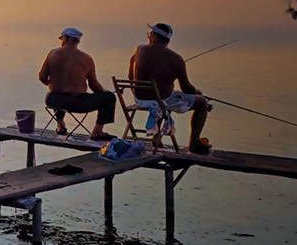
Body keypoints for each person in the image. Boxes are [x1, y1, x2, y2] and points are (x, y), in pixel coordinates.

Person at [129, 21, 211, 153]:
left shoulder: (139, 50)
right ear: (167, 40)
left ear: (155, 36)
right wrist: (198, 93)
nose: (148, 36)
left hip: (140, 99)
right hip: (162, 101)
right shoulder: (177, 59)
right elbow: (187, 89)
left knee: (166, 98)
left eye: (149, 34)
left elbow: (130, 78)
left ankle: (157, 137)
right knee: (201, 103)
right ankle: (194, 143)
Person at [37, 27, 117, 140]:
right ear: (77, 41)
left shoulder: (52, 54)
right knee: (109, 97)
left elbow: (42, 77)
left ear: (65, 38)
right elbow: (94, 86)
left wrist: (52, 84)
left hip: (54, 100)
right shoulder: (87, 58)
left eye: (61, 39)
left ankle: (60, 125)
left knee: (55, 94)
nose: (61, 41)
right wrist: (104, 93)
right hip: (79, 104)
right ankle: (97, 132)